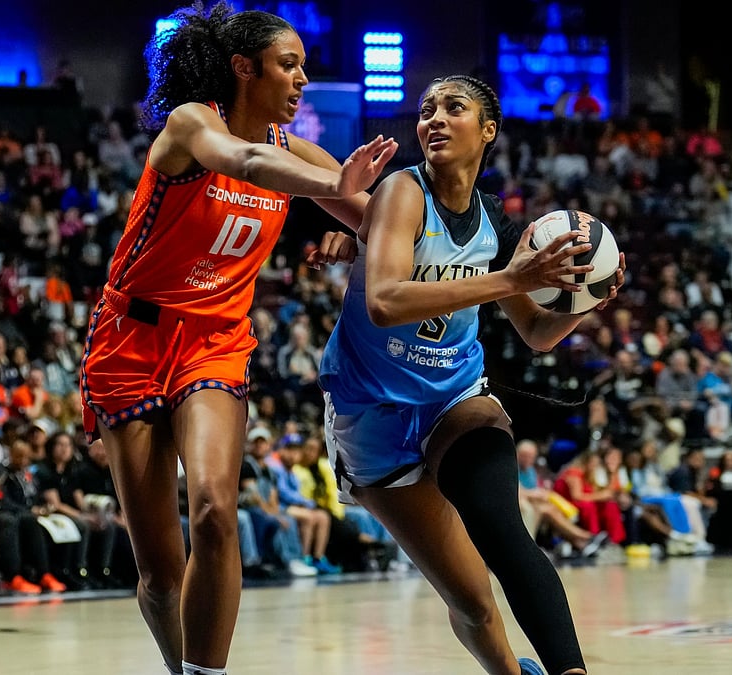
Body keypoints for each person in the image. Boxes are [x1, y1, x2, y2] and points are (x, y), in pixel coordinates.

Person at [76, 6, 397, 673]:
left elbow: (384, 220)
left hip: (215, 344)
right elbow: (243, 161)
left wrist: (365, 230)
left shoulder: (297, 149)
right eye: (289, 65)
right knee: (161, 575)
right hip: (130, 342)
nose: (303, 79)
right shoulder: (192, 122)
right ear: (244, 69)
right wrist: (332, 187)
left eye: (304, 66)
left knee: (218, 510)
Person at [318, 74, 624, 675]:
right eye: (427, 109)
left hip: (455, 397)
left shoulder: (497, 223)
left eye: (452, 109)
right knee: (473, 602)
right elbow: (383, 300)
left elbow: (536, 333)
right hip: (371, 418)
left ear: (487, 130)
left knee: (504, 532)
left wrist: (587, 301)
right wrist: (515, 279)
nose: (433, 119)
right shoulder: (402, 192)